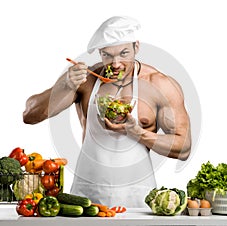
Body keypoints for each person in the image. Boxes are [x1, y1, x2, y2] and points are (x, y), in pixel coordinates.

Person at [23, 16, 191, 207]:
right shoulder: (85, 81)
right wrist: (64, 85)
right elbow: (29, 115)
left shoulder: (159, 84)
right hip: (87, 197)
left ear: (137, 47)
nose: (116, 63)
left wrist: (138, 133)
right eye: (107, 55)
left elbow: (183, 147)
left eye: (124, 53)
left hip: (139, 197)